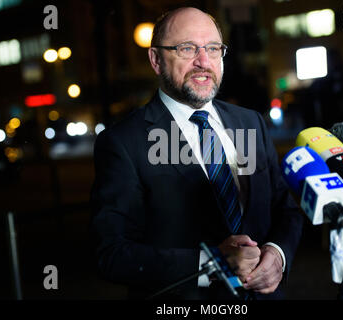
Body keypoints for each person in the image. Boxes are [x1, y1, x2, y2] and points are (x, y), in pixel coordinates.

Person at [90, 7, 303, 300]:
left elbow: (285, 209)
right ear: (156, 59)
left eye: (213, 48)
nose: (203, 61)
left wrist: (278, 255)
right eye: (186, 48)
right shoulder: (123, 142)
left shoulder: (250, 122)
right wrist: (213, 265)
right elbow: (110, 253)